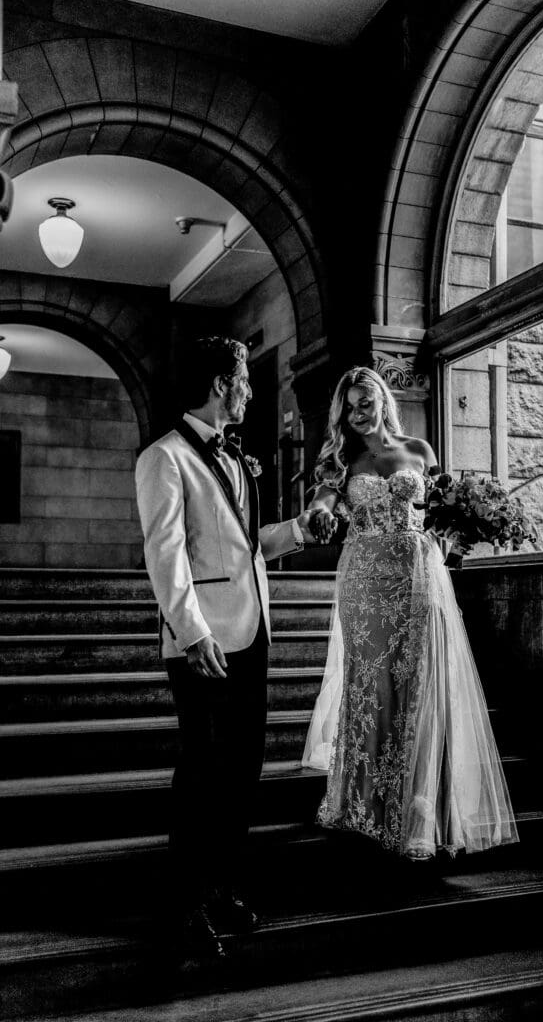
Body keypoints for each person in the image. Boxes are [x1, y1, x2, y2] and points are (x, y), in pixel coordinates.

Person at [135, 336, 317, 960]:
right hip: (203, 642)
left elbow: (244, 545)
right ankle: (181, 908)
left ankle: (218, 889)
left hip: (251, 632)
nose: (249, 389)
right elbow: (166, 554)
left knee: (242, 775)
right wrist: (192, 633)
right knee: (202, 777)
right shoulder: (163, 459)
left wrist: (297, 531)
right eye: (243, 379)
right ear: (220, 383)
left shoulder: (239, 461)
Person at [302, 366, 518, 862]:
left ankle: (417, 809)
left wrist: (457, 535)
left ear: (382, 399)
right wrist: (321, 513)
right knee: (371, 685)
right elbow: (322, 503)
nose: (357, 415)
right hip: (364, 581)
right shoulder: (341, 459)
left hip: (417, 578)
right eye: (349, 407)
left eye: (364, 403)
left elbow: (441, 516)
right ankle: (364, 806)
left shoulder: (419, 451)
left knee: (416, 684)